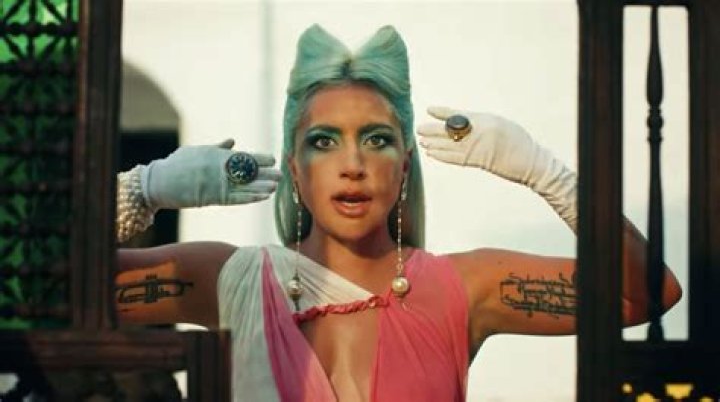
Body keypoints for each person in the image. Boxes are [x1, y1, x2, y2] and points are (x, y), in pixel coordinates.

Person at [115, 25, 682, 402]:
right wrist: (143, 188)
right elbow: (67, 295)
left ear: (404, 164)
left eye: (377, 140)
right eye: (324, 142)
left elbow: (645, 294)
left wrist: (546, 175)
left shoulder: (463, 288)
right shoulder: (230, 280)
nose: (353, 165)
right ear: (294, 167)